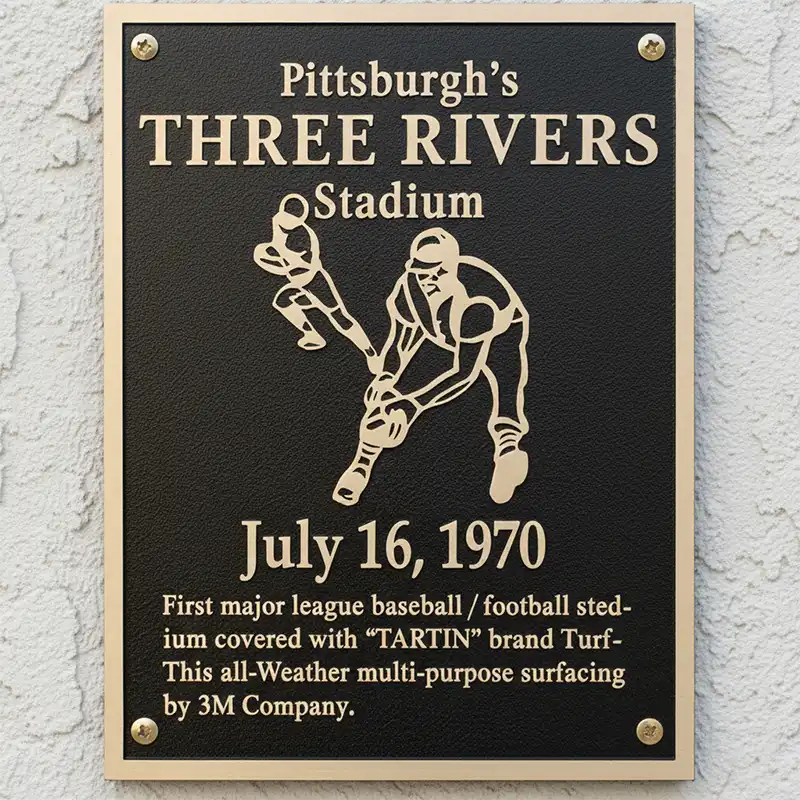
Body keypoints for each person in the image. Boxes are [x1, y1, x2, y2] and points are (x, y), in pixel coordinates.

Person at [333, 227, 530, 506]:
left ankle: (508, 450)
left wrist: (414, 405)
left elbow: (464, 374)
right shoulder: (408, 288)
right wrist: (385, 379)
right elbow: (400, 343)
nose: (429, 280)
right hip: (442, 328)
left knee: (506, 384)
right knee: (387, 396)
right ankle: (361, 466)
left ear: (452, 269)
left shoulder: (478, 306)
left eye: (437, 272)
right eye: (421, 272)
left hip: (501, 331)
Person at [253, 194, 380, 373]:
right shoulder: (279, 223)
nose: (287, 222)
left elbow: (305, 266)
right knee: (282, 301)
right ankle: (312, 334)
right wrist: (265, 255)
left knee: (340, 319)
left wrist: (278, 263)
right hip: (299, 285)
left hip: (316, 284)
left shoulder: (304, 238)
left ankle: (370, 352)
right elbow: (271, 250)